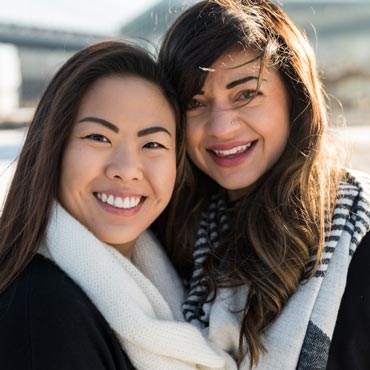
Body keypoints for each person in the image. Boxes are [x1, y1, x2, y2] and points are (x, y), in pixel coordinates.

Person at [157, 1, 370, 369]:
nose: (221, 127)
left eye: (246, 94)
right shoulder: (171, 239)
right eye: (195, 102)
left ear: (295, 97)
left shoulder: (358, 241)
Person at [0, 41, 234, 370]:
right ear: (54, 148)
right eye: (98, 137)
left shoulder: (177, 288)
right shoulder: (42, 310)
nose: (125, 169)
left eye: (152, 143)